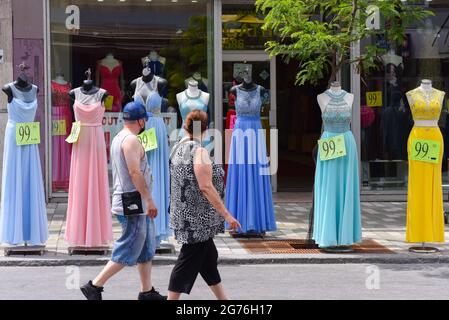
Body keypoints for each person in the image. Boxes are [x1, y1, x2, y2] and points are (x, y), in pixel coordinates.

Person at [80, 102, 166, 301]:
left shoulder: (121, 137)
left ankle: (147, 292)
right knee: (129, 247)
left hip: (135, 203)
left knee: (146, 248)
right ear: (139, 120)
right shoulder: (131, 141)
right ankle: (95, 285)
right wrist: (149, 199)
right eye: (144, 118)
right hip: (133, 203)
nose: (145, 122)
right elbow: (135, 173)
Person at [168, 110, 242, 300]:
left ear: (186, 126)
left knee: (208, 259)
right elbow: (206, 187)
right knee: (186, 263)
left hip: (183, 215)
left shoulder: (177, 147)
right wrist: (227, 215)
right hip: (197, 220)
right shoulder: (198, 151)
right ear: (206, 129)